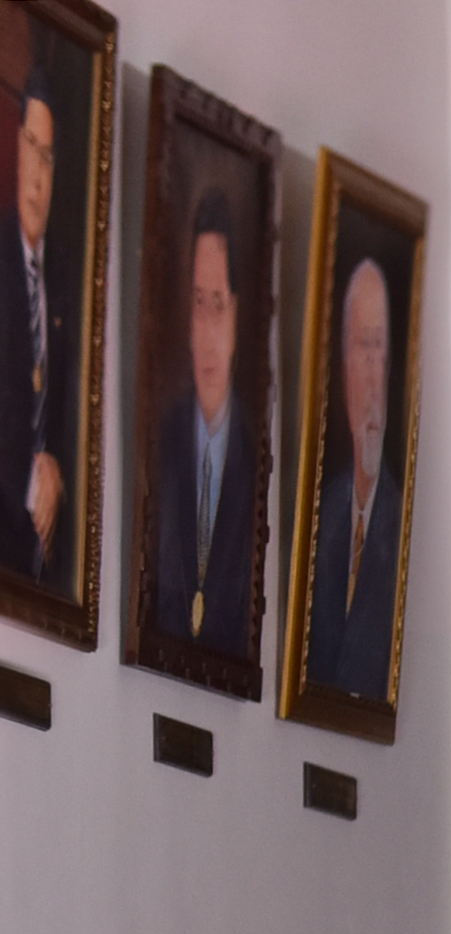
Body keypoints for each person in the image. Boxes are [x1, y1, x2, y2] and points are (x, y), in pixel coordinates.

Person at [141, 191, 255, 656]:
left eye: (219, 306)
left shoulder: (256, 462)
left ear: (238, 315)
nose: (207, 332)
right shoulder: (159, 441)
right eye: (198, 304)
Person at [300, 248, 401, 708]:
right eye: (365, 347)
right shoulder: (319, 517)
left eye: (384, 352)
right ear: (342, 372)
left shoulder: (404, 529)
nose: (375, 376)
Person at [10, 54, 70, 582]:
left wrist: (55, 467)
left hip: (42, 570)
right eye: (31, 147)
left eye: (48, 157)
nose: (36, 174)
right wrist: (34, 476)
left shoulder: (68, 292)